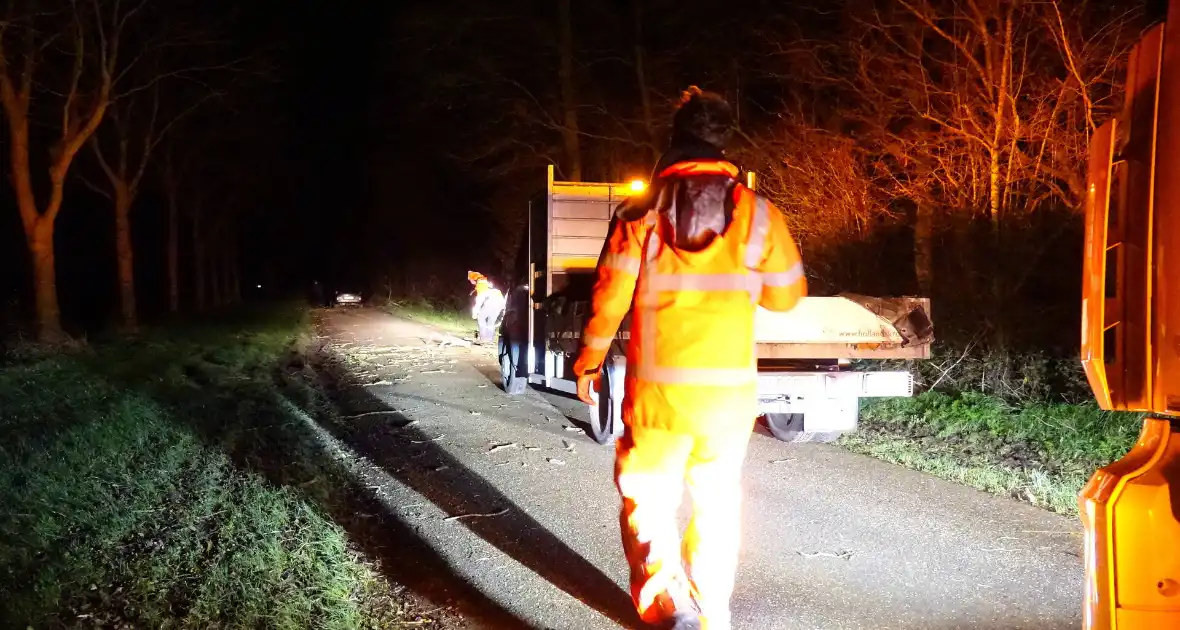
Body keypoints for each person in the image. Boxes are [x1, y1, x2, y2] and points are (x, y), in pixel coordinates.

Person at [572, 86, 807, 630]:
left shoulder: (639, 214)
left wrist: (587, 364)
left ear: (674, 139)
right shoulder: (759, 215)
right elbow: (786, 297)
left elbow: (608, 300)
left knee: (649, 501)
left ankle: (666, 607)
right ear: (727, 141)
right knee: (717, 505)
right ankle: (714, 611)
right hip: (726, 404)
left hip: (657, 400)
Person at [468, 271, 506, 344]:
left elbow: (480, 299)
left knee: (481, 317)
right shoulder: (486, 282)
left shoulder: (480, 284)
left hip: (492, 301)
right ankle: (489, 339)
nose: (470, 282)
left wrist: (475, 313)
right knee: (491, 321)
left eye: (470, 280)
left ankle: (483, 338)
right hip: (500, 303)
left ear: (473, 279)